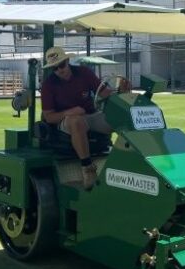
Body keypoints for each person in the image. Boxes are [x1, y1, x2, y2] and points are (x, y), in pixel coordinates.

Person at [40, 47, 129, 189]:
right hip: (65, 122)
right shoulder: (49, 85)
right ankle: (88, 168)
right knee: (76, 120)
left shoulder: (84, 73)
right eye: (55, 68)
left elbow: (104, 93)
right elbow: (49, 117)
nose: (60, 70)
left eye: (62, 65)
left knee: (121, 117)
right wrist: (70, 112)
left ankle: (131, 160)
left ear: (67, 61)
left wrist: (120, 93)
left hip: (90, 115)